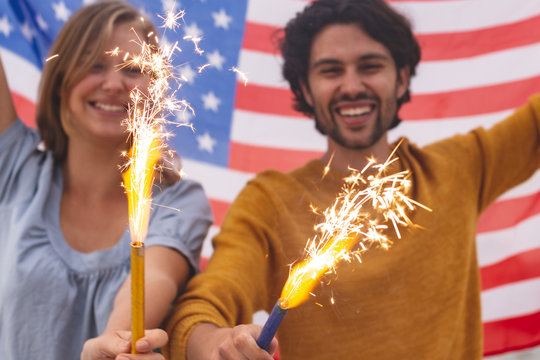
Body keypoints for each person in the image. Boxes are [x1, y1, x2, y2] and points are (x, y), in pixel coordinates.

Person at [163, 0, 540, 359]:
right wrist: (215, 344)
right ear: (306, 89)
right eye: (331, 70)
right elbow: (199, 311)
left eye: (370, 65)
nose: (352, 85)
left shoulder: (459, 168)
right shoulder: (271, 202)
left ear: (402, 77)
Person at [0, 1, 212, 359]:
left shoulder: (179, 198)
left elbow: (153, 277)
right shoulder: (14, 166)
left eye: (133, 69)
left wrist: (114, 346)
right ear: (60, 79)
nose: (114, 84)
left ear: (156, 89)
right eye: (94, 65)